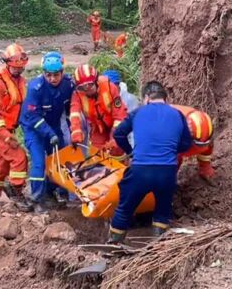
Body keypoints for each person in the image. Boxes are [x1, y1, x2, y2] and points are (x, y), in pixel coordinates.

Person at [109, 81, 193, 243]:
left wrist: (130, 152)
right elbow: (186, 144)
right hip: (167, 172)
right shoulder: (177, 114)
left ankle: (114, 244)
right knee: (163, 209)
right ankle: (158, 246)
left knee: (125, 208)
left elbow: (119, 134)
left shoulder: (138, 112)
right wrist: (169, 150)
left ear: (146, 97)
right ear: (165, 99)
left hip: (141, 170)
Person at [19, 51, 75, 214]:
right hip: (33, 128)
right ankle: (36, 198)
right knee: (39, 162)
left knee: (60, 159)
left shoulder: (68, 84)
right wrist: (49, 134)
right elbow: (31, 115)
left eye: (56, 75)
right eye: (48, 75)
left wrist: (73, 129)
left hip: (53, 125)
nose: (52, 79)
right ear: (43, 73)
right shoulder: (36, 87)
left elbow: (70, 109)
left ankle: (54, 191)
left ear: (62, 72)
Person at [0, 43, 32, 212]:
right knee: (19, 157)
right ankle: (16, 192)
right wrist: (5, 134)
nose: (18, 71)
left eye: (21, 68)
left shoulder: (20, 81)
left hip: (8, 129)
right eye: (15, 68)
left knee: (1, 165)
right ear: (7, 64)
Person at [69, 64, 128, 159]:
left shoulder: (110, 87)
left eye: (90, 85)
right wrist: (76, 131)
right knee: (97, 153)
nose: (87, 89)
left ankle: (124, 171)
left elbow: (120, 114)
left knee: (117, 149)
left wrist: (115, 135)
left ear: (96, 81)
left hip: (115, 125)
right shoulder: (77, 94)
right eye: (82, 87)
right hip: (97, 128)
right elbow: (74, 113)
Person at [171, 104, 216, 182]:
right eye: (197, 145)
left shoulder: (202, 125)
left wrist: (205, 166)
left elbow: (207, 146)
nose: (201, 148)